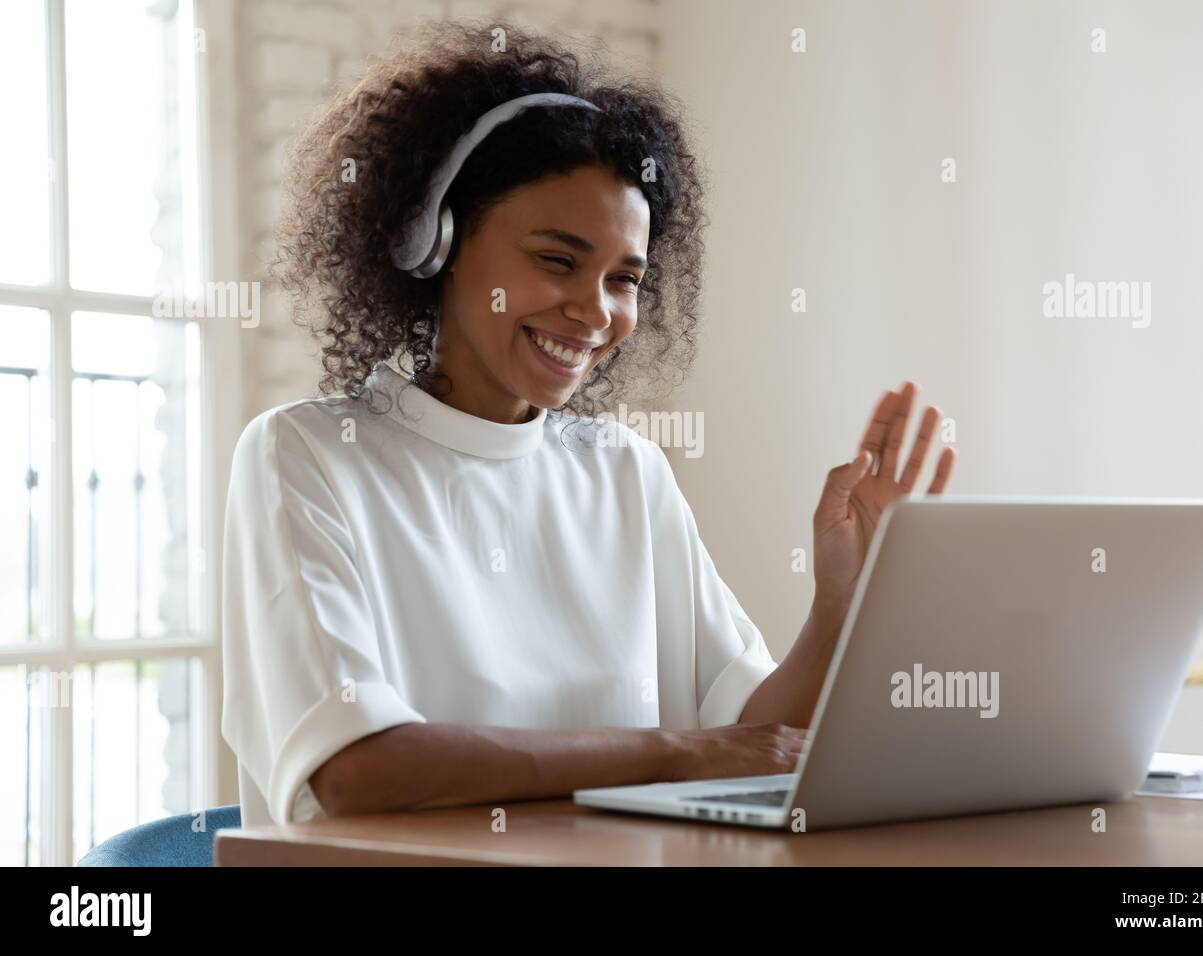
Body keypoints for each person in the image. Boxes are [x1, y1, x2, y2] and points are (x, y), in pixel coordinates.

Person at [220, 20, 955, 827]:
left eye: (624, 278)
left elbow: (759, 733)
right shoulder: (308, 457)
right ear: (438, 245)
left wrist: (841, 608)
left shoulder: (625, 472)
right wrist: (677, 753)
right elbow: (358, 770)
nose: (595, 311)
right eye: (558, 260)